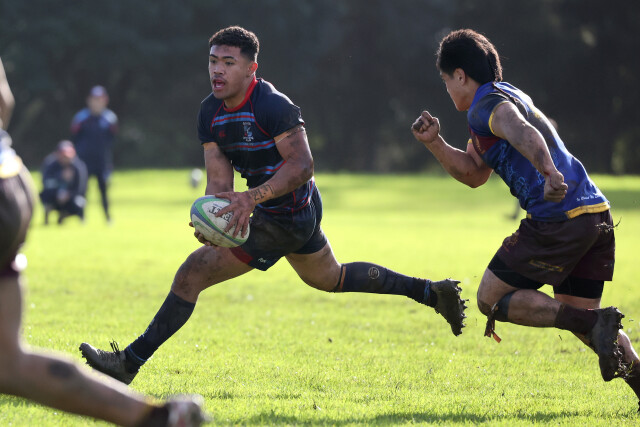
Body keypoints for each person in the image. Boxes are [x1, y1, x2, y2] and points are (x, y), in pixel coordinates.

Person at [79, 26, 467, 385]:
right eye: (213, 61)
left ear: (251, 69)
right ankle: (431, 292)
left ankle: (128, 363)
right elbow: (219, 183)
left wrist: (250, 199)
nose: (217, 70)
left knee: (191, 274)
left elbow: (303, 165)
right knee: (329, 277)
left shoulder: (272, 105)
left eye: (228, 63)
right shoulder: (209, 112)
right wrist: (215, 222)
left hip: (290, 212)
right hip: (277, 210)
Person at [411, 29, 640, 409]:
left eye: (445, 79)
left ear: (461, 76)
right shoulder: (504, 98)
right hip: (593, 215)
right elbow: (474, 173)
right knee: (581, 318)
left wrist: (549, 172)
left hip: (558, 218)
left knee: (490, 298)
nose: (446, 88)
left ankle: (594, 323)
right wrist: (435, 142)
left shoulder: (487, 106)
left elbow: (522, 131)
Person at [0, 58, 207, 426]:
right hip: (12, 180)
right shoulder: (83, 119)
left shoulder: (107, 120)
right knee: (8, 363)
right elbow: (4, 99)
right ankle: (158, 417)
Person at [71, 85, 117, 223]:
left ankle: (107, 217)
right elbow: (74, 137)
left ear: (105, 100)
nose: (96, 102)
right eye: (94, 99)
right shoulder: (81, 118)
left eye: (99, 99)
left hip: (102, 161)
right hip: (84, 160)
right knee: (83, 190)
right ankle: (81, 217)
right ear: (89, 100)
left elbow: (112, 139)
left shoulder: (110, 119)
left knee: (104, 190)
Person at [40, 140, 88, 225]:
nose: (65, 159)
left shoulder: (78, 167)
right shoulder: (50, 165)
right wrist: (60, 177)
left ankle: (64, 215)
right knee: (45, 196)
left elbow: (81, 188)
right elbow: (46, 183)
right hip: (54, 197)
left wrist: (68, 194)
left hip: (70, 198)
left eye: (68, 156)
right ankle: (47, 216)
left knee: (80, 202)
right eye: (63, 156)